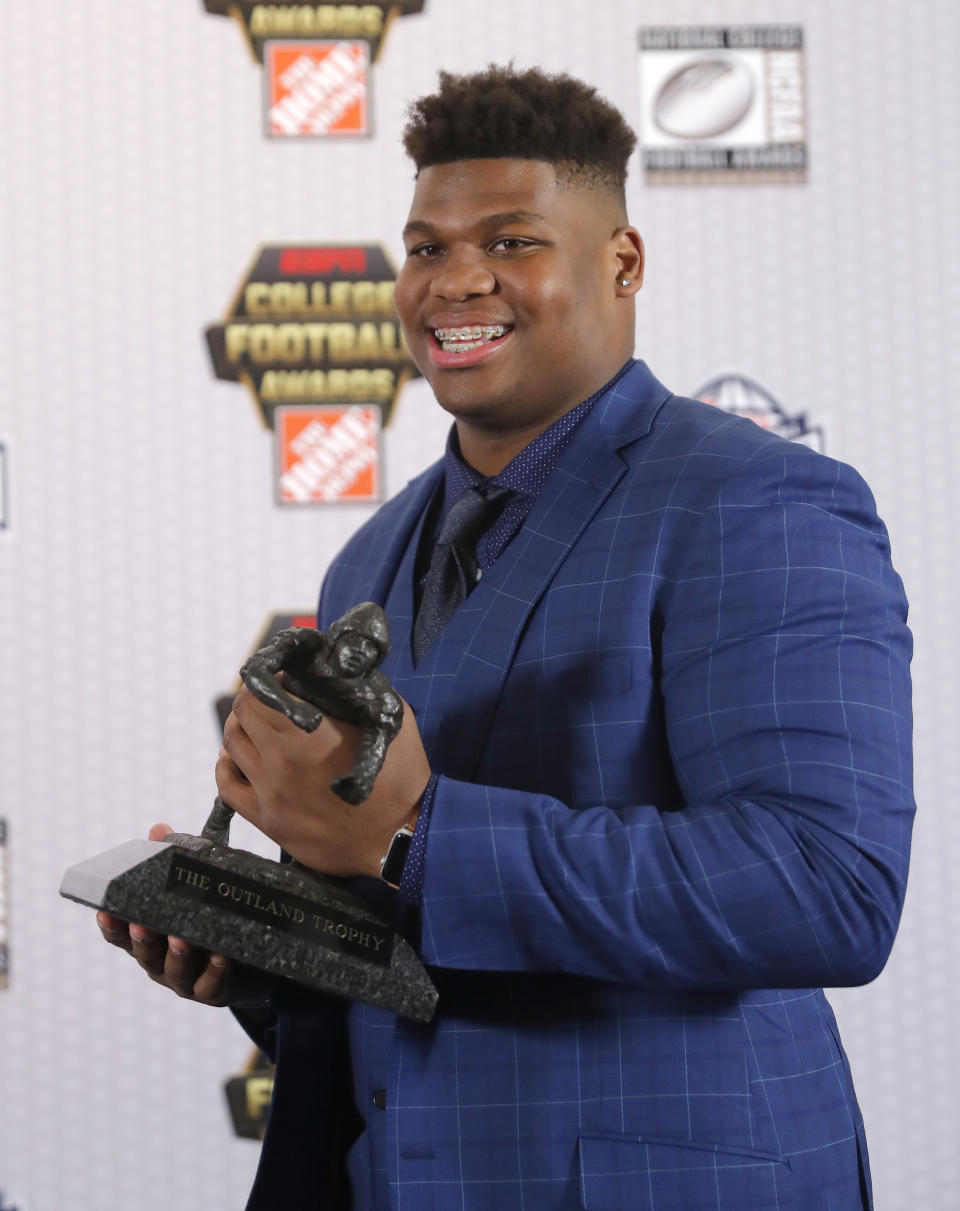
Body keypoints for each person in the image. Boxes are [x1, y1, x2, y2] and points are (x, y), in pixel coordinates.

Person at [99, 66, 914, 1211]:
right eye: (425, 247)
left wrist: (414, 836)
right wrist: (266, 956)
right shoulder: (368, 557)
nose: (456, 280)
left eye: (512, 240)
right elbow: (408, 961)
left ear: (621, 262)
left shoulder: (757, 501)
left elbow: (829, 885)